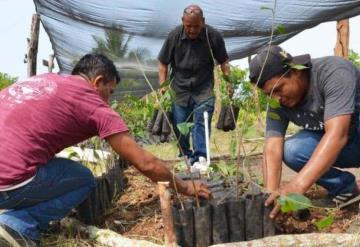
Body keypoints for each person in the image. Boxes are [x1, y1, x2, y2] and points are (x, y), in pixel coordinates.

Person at [0, 54, 211, 246]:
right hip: (8, 184)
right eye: (109, 92)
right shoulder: (93, 104)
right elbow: (145, 163)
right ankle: (16, 225)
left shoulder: (42, 81)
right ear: (98, 81)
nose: (108, 101)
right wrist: (185, 187)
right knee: (82, 180)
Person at [249, 45, 360, 219]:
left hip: (347, 136)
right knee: (292, 150)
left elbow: (337, 135)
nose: (276, 98)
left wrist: (297, 185)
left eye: (279, 89)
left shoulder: (333, 72)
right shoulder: (277, 101)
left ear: (296, 71)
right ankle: (346, 188)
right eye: (269, 94)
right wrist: (270, 196)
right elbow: (272, 147)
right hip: (345, 146)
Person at [158, 4, 230, 165]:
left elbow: (224, 61)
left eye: (196, 26)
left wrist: (229, 84)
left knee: (201, 122)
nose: (192, 30)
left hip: (203, 88)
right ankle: (185, 154)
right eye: (188, 26)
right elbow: (163, 64)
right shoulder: (174, 36)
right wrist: (163, 88)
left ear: (203, 22)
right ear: (182, 21)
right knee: (180, 124)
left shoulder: (213, 36)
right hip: (179, 89)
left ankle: (201, 157)